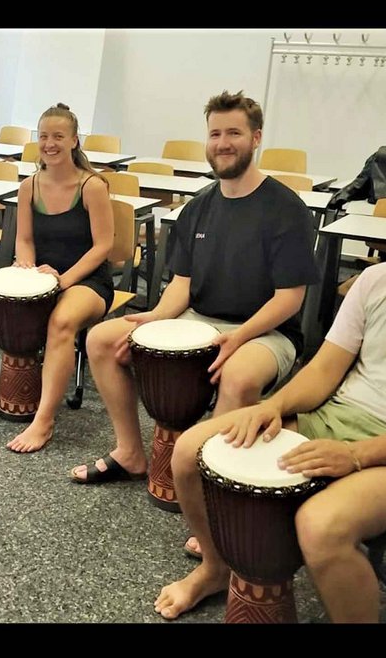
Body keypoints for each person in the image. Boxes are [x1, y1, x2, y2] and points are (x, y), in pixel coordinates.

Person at [154, 155, 386, 623]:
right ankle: (216, 568)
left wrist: (357, 456)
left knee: (319, 524)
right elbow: (325, 370)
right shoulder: (377, 280)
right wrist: (273, 406)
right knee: (189, 453)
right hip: (338, 417)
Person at [71, 90, 320, 521]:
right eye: (215, 133)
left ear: (256, 138)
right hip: (198, 318)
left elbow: (290, 299)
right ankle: (130, 452)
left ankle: (209, 492)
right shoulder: (198, 209)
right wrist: (151, 320)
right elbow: (181, 286)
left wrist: (238, 337)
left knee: (238, 376)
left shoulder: (287, 210)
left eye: (234, 133)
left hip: (267, 332)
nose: (223, 142)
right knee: (102, 339)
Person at [0, 103, 115, 453]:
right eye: (44, 136)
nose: (50, 143)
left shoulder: (92, 186)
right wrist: (28, 271)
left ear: (74, 140)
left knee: (61, 322)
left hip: (88, 280)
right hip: (42, 278)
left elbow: (102, 246)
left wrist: (61, 281)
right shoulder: (30, 185)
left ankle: (44, 421)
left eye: (58, 136)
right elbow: (25, 241)